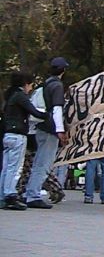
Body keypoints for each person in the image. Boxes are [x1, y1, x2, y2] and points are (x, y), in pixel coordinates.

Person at [25, 57, 69, 209]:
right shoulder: (57, 86)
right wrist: (60, 130)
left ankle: (30, 192)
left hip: (41, 127)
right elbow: (57, 109)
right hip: (50, 128)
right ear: (63, 70)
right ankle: (33, 195)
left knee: (38, 161)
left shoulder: (45, 85)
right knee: (44, 163)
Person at [0, 72, 46, 210]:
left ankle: (3, 195)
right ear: (25, 84)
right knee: (15, 168)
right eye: (30, 85)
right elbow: (34, 112)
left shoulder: (10, 96)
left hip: (8, 135)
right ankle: (10, 195)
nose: (31, 88)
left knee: (6, 167)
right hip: (18, 135)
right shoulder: (20, 96)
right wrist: (49, 115)